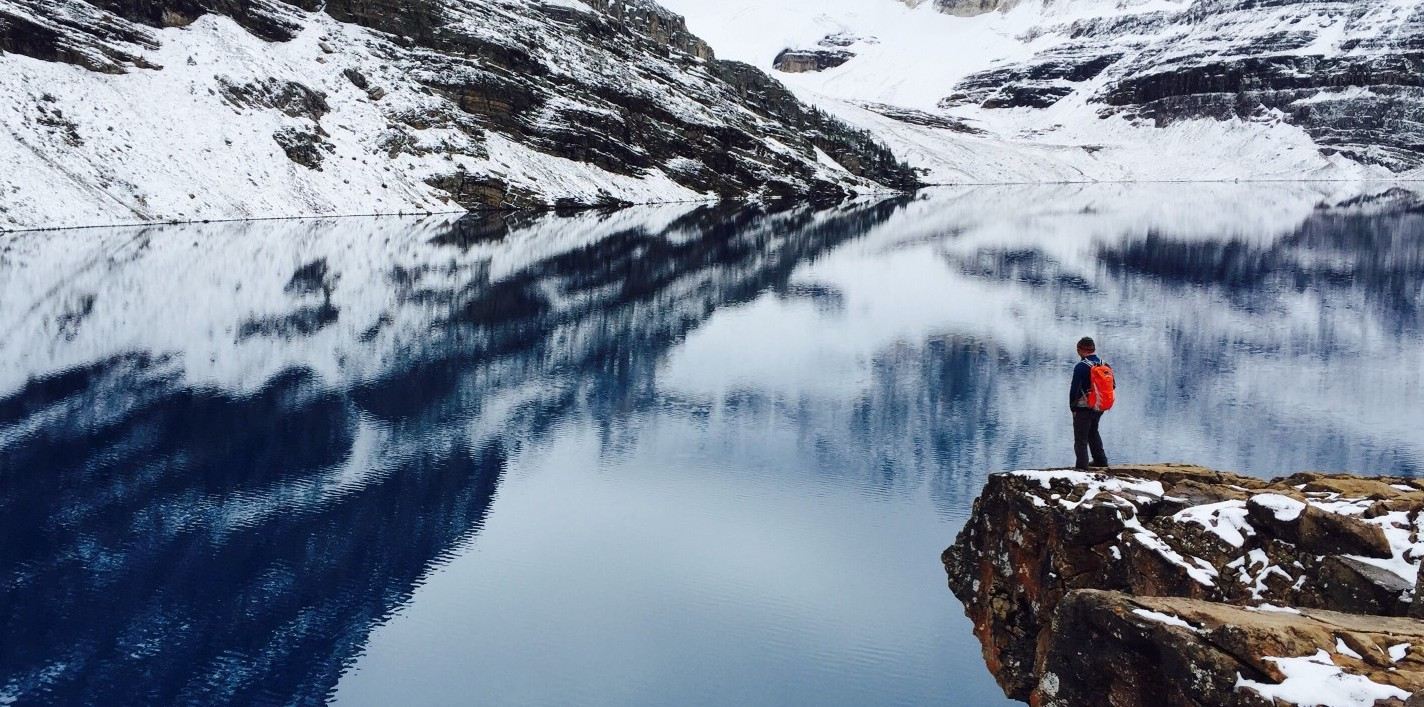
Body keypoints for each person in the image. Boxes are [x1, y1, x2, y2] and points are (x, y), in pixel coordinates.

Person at [1070, 336, 1110, 470]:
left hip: (1083, 407)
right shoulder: (1104, 364)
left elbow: (1075, 389)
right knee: (1093, 432)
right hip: (1100, 406)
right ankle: (1100, 460)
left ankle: (1081, 468)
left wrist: (1073, 407)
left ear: (1080, 350)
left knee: (1080, 438)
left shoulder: (1081, 366)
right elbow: (1112, 385)